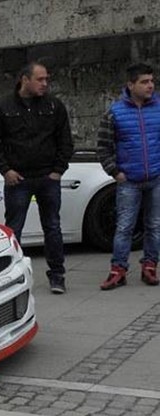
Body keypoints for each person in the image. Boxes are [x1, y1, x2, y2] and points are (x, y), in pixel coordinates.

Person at [0, 62, 74, 294]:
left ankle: (57, 276)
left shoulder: (54, 106)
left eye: (46, 79)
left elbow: (65, 140)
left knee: (52, 227)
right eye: (40, 79)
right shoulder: (1, 107)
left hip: (47, 177)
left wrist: (58, 171)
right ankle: (13, 277)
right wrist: (5, 170)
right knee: (14, 230)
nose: (45, 84)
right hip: (18, 179)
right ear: (25, 80)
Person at [98, 63, 160, 290]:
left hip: (156, 178)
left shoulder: (158, 108)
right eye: (144, 82)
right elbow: (103, 147)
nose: (150, 85)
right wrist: (115, 172)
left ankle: (150, 266)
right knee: (124, 227)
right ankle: (118, 270)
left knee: (154, 225)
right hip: (129, 181)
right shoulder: (115, 112)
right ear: (131, 85)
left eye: (152, 81)